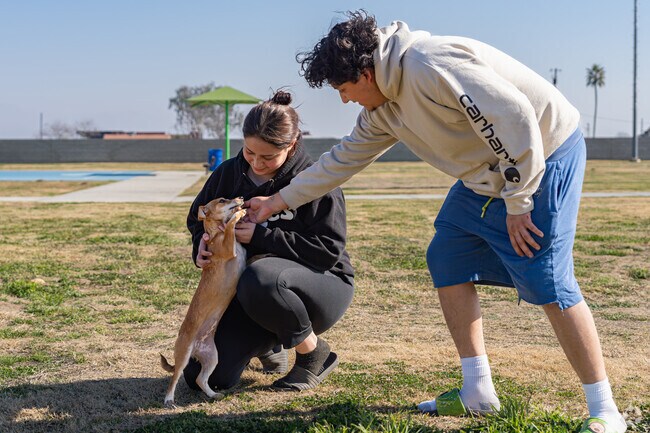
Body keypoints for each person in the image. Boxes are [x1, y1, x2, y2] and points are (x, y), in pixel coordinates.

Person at [245, 11, 626, 433]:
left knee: (547, 279)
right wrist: (274, 202)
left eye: (344, 88)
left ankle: (604, 409)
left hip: (543, 152)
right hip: (486, 172)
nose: (344, 99)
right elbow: (341, 161)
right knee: (448, 256)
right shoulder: (383, 108)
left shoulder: (430, 65)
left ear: (367, 74)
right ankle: (477, 391)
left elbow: (516, 119)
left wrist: (519, 203)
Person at [184, 90, 354, 392]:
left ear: (292, 144)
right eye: (250, 153)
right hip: (252, 296)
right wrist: (201, 241)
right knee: (201, 377)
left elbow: (327, 251)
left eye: (268, 157)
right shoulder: (228, 173)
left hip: (320, 286)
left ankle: (314, 355)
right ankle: (269, 345)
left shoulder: (314, 180)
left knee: (260, 277)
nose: (257, 164)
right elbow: (197, 217)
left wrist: (262, 237)